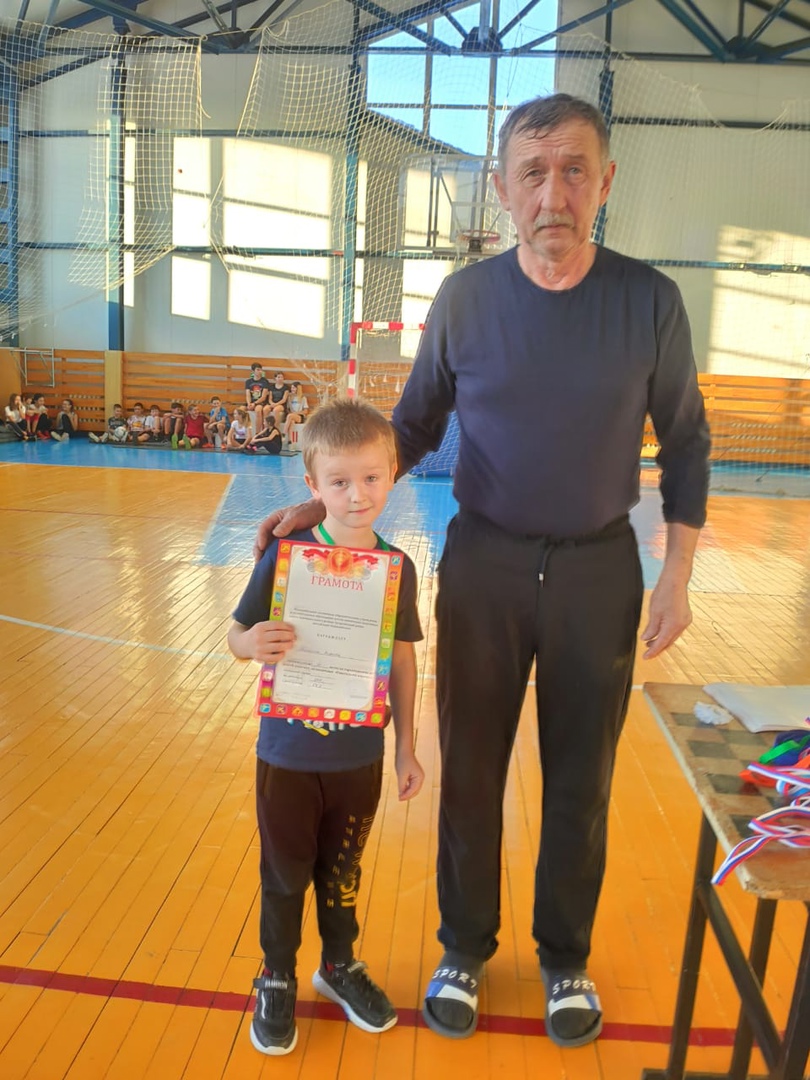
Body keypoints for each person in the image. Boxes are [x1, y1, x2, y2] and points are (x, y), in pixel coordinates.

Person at [254, 93, 710, 1049]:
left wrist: (675, 573)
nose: (554, 193)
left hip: (598, 573)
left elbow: (687, 441)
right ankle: (463, 946)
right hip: (485, 566)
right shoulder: (464, 300)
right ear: (502, 188)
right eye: (533, 173)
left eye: (574, 170)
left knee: (583, 778)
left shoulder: (650, 301)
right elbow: (411, 427)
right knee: (468, 770)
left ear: (605, 182)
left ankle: (565, 958)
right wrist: (323, 509)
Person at [228, 398, 424, 1057]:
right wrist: (251, 643)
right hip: (286, 753)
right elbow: (236, 634)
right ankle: (276, 974)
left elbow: (402, 660)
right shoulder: (288, 558)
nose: (357, 495)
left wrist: (407, 749)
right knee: (285, 873)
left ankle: (338, 965)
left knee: (343, 871)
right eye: (339, 482)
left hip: (359, 756)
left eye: (371, 478)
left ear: (392, 475)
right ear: (313, 486)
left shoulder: (397, 569)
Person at [282, 382, 309, 448]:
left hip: (300, 416)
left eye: (293, 388)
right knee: (291, 421)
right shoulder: (289, 398)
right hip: (291, 416)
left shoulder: (303, 398)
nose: (292, 389)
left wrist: (295, 413)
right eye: (291, 388)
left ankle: (283, 434)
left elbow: (306, 411)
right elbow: (288, 409)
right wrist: (291, 413)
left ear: (298, 388)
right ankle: (290, 442)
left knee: (290, 416)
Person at [245, 362, 271, 429]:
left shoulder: (265, 381)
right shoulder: (248, 382)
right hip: (251, 402)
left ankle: (258, 432)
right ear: (253, 371)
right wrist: (249, 403)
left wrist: (254, 403)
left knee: (258, 410)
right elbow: (248, 395)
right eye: (258, 370)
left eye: (260, 370)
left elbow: (263, 397)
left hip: (260, 402)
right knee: (240, 410)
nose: (260, 371)